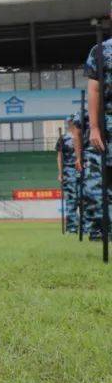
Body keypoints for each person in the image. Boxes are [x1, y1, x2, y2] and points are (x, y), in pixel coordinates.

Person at [84, 29, 112, 241]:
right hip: (109, 122)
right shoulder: (101, 51)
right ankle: (103, 229)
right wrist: (94, 127)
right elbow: (94, 90)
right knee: (104, 178)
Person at [56, 114, 80, 234]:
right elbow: (60, 156)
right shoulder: (63, 138)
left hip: (82, 170)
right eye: (69, 121)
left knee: (85, 198)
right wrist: (60, 173)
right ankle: (72, 227)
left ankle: (88, 226)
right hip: (69, 171)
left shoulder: (83, 136)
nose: (71, 123)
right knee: (71, 199)